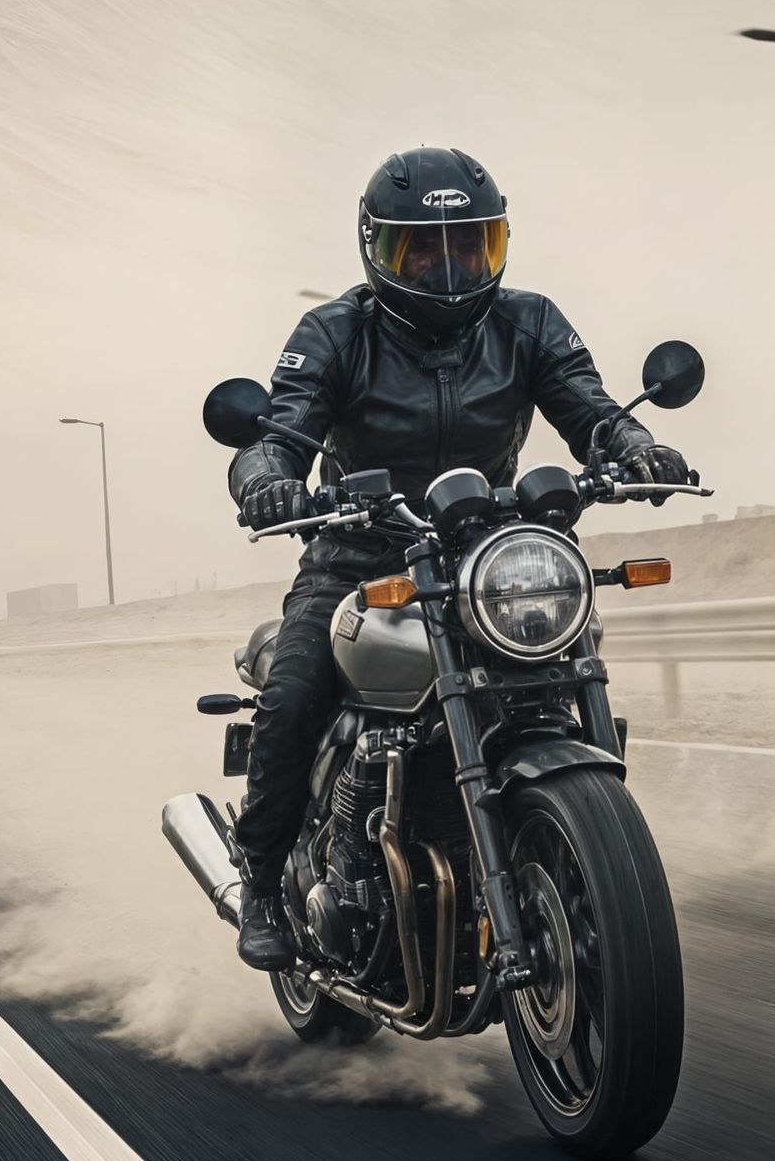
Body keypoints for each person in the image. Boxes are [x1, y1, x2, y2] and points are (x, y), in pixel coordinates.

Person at [226, 147, 692, 969]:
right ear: (380, 250)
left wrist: (635, 445)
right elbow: (279, 433)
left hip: (486, 555)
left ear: (497, 243)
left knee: (562, 660)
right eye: (424, 251)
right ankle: (261, 884)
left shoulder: (528, 322)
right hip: (361, 558)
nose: (449, 269)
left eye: (470, 245)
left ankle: (573, 854)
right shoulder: (336, 332)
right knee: (294, 694)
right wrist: (268, 481)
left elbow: (591, 409)